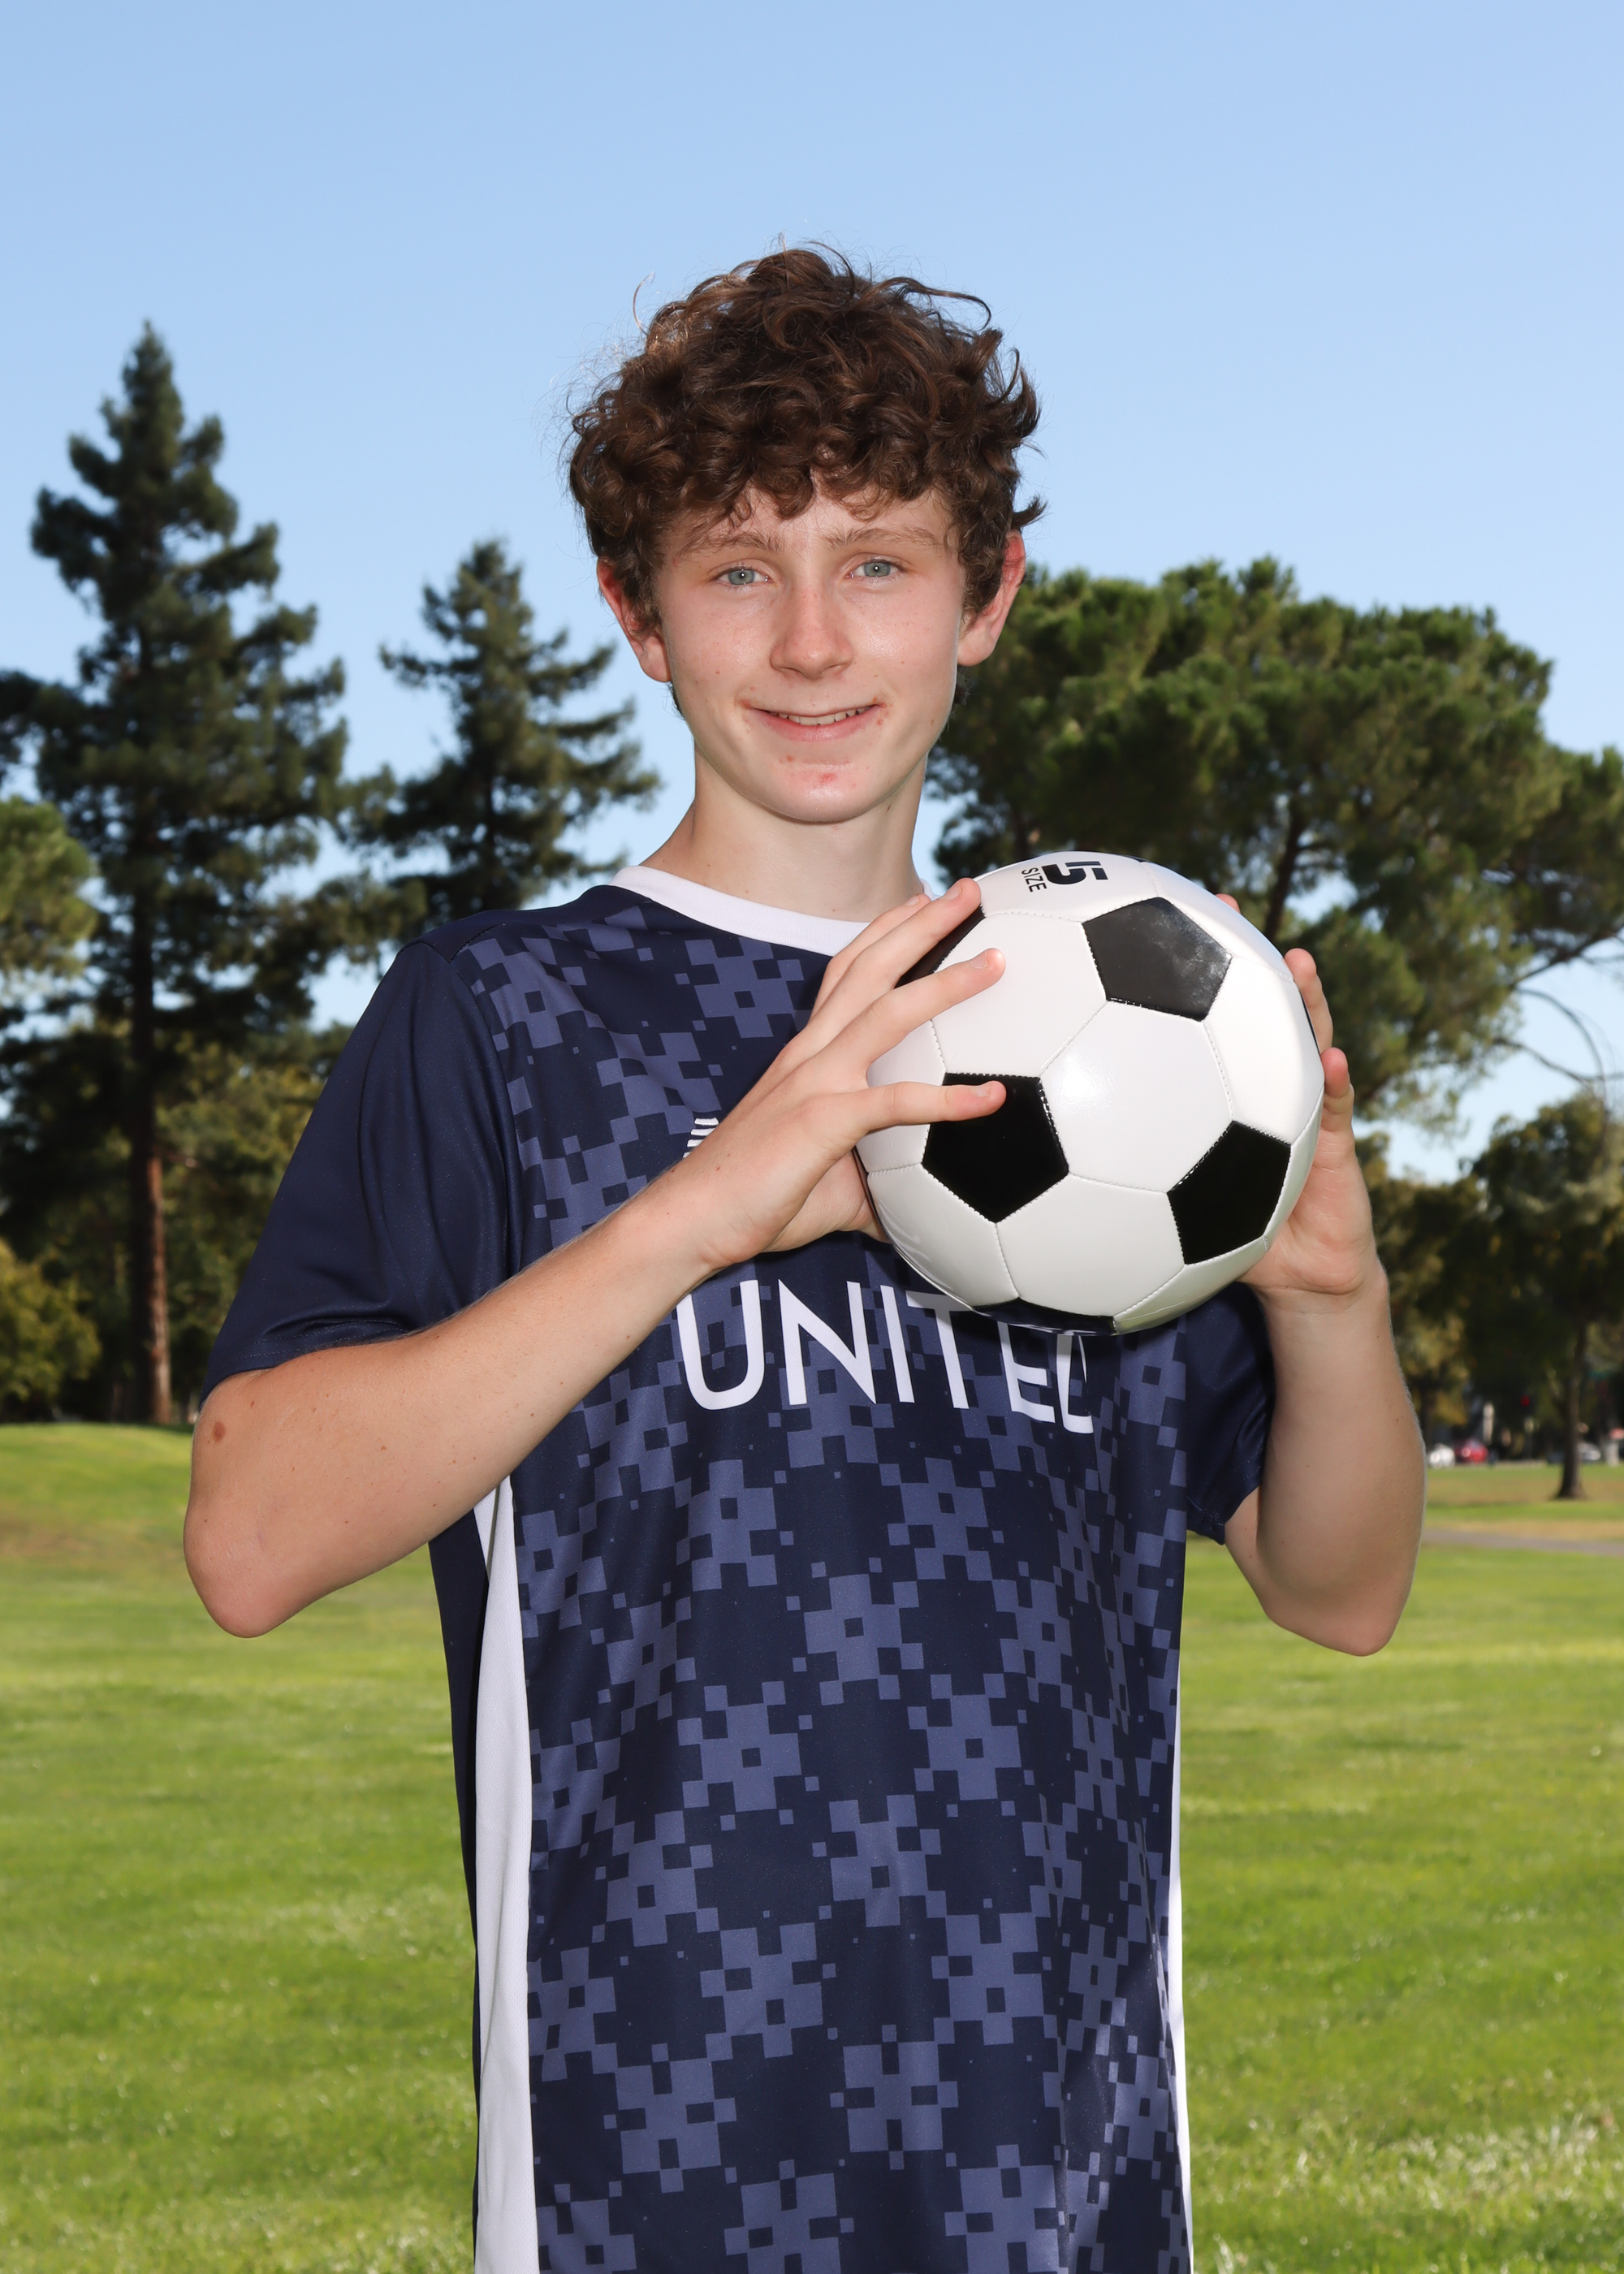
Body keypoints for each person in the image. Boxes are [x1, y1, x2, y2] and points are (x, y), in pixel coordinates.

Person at [185, 249, 1424, 2274]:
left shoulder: (1120, 1040)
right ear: (638, 614)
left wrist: (1331, 1299)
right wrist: (706, 1205)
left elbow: (1342, 1585)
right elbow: (248, 1538)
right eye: (740, 567)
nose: (814, 636)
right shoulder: (497, 1011)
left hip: (1069, 2186)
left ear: (987, 592)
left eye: (879, 560)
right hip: (644, 2177)